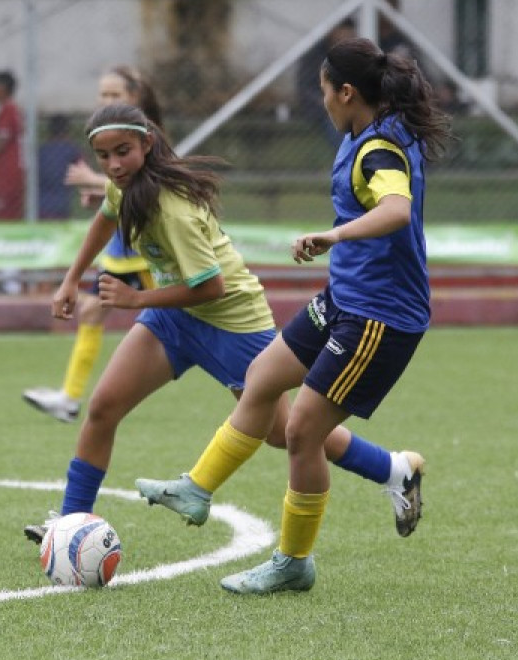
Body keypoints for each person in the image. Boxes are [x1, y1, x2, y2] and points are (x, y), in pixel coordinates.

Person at [22, 102, 428, 547]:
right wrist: (70, 279)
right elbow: (105, 218)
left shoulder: (172, 208)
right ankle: (70, 522)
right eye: (104, 156)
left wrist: (137, 298)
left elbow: (211, 287)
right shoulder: (125, 185)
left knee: (286, 433)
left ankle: (394, 469)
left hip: (234, 324)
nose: (114, 165)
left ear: (147, 144)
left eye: (123, 151)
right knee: (102, 409)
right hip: (174, 318)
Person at [151, 36, 449, 595]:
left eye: (323, 92)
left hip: (379, 319)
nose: (322, 103)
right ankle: (196, 489)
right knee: (261, 380)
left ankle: (293, 562)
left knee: (303, 432)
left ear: (346, 92)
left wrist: (333, 234)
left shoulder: (377, 151)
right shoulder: (363, 132)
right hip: (345, 299)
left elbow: (395, 210)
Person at [22, 65, 161, 422]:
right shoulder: (111, 135)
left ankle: (250, 383)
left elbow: (151, 185)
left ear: (134, 97)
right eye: (103, 94)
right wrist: (100, 195)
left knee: (181, 324)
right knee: (92, 312)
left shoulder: (145, 134)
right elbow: (121, 191)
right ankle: (69, 399)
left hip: (144, 251)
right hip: (121, 249)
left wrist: (92, 180)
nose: (106, 100)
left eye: (114, 95)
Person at [296, 19, 357, 147]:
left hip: (350, 108)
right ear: (332, 33)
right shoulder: (314, 56)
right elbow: (306, 90)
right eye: (341, 38)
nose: (344, 41)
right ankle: (349, 161)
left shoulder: (358, 56)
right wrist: (330, 102)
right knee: (339, 126)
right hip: (322, 111)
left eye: (349, 38)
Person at [0, 70, 23, 220]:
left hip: (7, 170)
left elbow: (0, 142)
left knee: (3, 213)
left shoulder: (8, 110)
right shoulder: (13, 110)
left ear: (2, 88)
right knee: (12, 211)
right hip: (13, 168)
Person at [37, 114, 83, 220]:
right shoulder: (71, 149)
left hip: (40, 203)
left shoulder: (42, 150)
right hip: (61, 203)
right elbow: (82, 166)